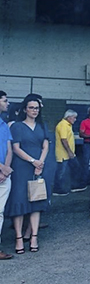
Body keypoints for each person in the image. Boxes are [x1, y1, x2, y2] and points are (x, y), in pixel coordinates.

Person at [5, 96, 49, 254]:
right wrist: (33, 161)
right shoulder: (17, 126)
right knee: (19, 200)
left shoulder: (42, 125)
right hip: (22, 167)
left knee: (36, 201)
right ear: (24, 109)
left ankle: (34, 237)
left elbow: (45, 145)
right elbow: (15, 148)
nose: (34, 110)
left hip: (38, 167)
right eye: (31, 107)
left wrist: (40, 162)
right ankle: (18, 238)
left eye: (36, 108)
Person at [53, 109, 86, 196]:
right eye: (74, 118)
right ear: (69, 117)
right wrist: (70, 152)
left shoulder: (67, 125)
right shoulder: (63, 125)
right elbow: (64, 140)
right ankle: (57, 189)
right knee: (61, 172)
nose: (75, 120)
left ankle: (74, 186)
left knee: (74, 168)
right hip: (64, 154)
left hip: (68, 154)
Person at [0, 92, 13, 260]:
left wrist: (6, 169)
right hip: (3, 172)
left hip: (4, 175)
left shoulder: (3, 124)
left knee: (0, 212)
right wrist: (2, 168)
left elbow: (9, 148)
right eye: (5, 100)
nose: (8, 103)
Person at [79, 106, 90, 184]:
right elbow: (81, 134)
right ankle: (84, 180)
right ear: (88, 112)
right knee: (86, 162)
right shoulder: (84, 122)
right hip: (87, 144)